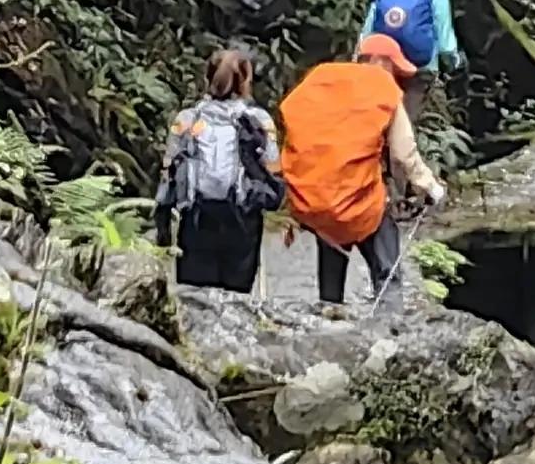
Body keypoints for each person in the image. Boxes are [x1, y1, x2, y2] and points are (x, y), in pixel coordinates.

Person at [275, 30, 444, 312]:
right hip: (361, 206)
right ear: (382, 62)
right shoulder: (381, 88)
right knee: (387, 275)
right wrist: (430, 187)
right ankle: (389, 332)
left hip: (318, 202)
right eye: (396, 69)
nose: (398, 78)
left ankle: (329, 319)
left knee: (330, 278)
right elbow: (403, 154)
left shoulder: (324, 80)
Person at [153, 45, 280, 293]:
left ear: (207, 79)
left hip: (196, 218)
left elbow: (168, 171)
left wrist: (163, 225)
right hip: (243, 219)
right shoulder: (259, 120)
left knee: (194, 300)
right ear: (245, 83)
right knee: (237, 302)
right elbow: (273, 168)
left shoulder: (187, 120)